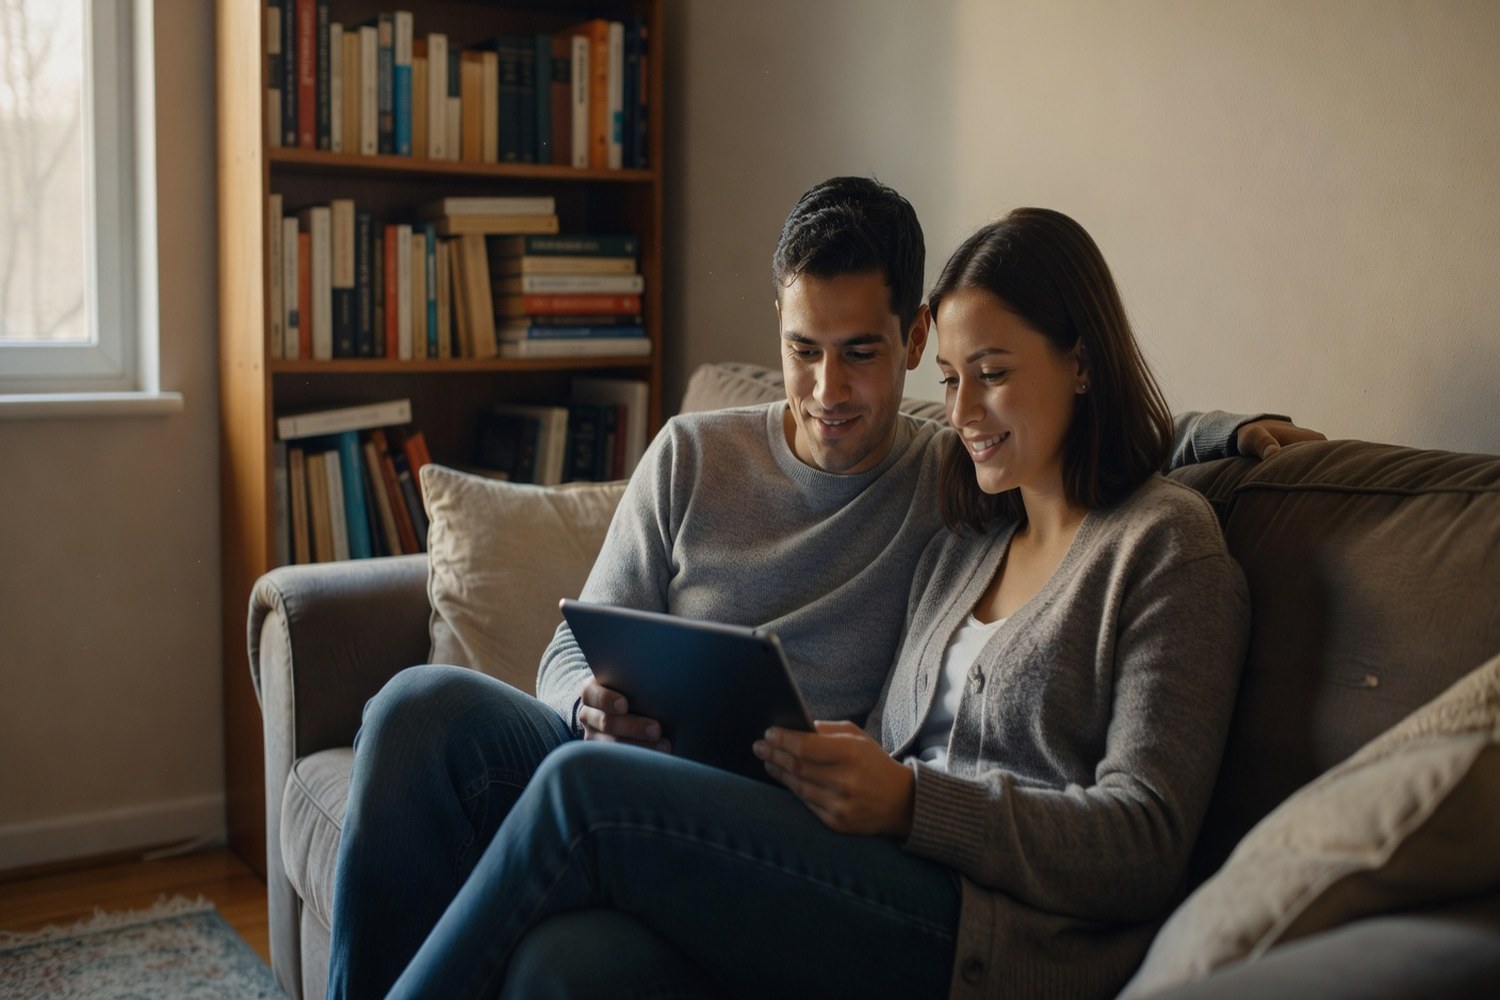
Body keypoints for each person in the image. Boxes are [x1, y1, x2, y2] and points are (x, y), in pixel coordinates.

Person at [328, 179, 1316, 998]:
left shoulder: (1007, 501)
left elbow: (1142, 832)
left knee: (585, 799)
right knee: (427, 721)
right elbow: (572, 649)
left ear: (909, 335)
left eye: (864, 354)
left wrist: (1236, 435)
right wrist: (586, 701)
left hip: (921, 884)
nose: (829, 390)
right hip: (746, 801)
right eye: (805, 350)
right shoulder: (965, 529)